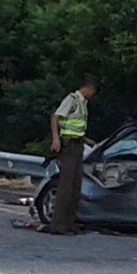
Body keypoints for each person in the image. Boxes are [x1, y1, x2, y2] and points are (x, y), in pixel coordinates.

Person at [45, 76, 99, 235]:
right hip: (68, 147)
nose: (93, 95)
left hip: (78, 146)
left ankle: (69, 222)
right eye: (93, 91)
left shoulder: (83, 104)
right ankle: (58, 224)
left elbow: (75, 128)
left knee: (76, 186)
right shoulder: (73, 99)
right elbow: (56, 117)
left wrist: (87, 141)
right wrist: (56, 139)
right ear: (88, 88)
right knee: (66, 187)